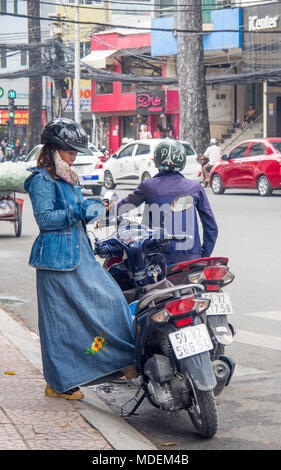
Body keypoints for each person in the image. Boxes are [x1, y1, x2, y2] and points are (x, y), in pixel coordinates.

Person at [24, 118, 135, 400]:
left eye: (75, 152)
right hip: (56, 260)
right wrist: (80, 210)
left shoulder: (68, 177)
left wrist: (95, 207)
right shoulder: (41, 180)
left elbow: (79, 211)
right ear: (52, 150)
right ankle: (59, 384)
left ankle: (115, 363)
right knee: (60, 324)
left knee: (111, 301)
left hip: (79, 253)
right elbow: (46, 220)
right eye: (69, 152)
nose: (73, 157)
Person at [116, 139, 218, 264]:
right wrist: (203, 255)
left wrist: (102, 211)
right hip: (192, 261)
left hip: (157, 260)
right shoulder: (195, 187)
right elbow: (211, 227)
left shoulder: (148, 186)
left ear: (156, 160)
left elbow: (123, 206)